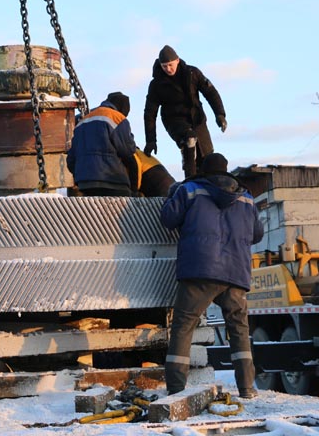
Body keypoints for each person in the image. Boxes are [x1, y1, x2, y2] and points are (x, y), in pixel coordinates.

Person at [160, 152, 264, 398]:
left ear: (205, 171)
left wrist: (173, 193)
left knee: (184, 326)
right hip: (236, 272)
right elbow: (257, 234)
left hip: (200, 271)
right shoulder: (247, 198)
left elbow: (168, 218)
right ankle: (247, 388)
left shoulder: (190, 190)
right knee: (239, 329)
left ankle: (176, 389)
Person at [143, 45, 227, 178]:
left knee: (208, 157)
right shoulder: (157, 84)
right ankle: (190, 180)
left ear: (177, 60)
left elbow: (210, 93)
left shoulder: (192, 73)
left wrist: (220, 114)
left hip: (197, 119)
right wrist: (151, 140)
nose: (168, 69)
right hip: (174, 121)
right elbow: (150, 113)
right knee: (189, 139)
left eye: (170, 65)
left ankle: (211, 184)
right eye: (164, 66)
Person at [67, 92, 137, 196]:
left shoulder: (83, 121)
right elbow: (128, 151)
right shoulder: (117, 118)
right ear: (123, 109)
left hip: (85, 184)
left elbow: (71, 160)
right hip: (112, 180)